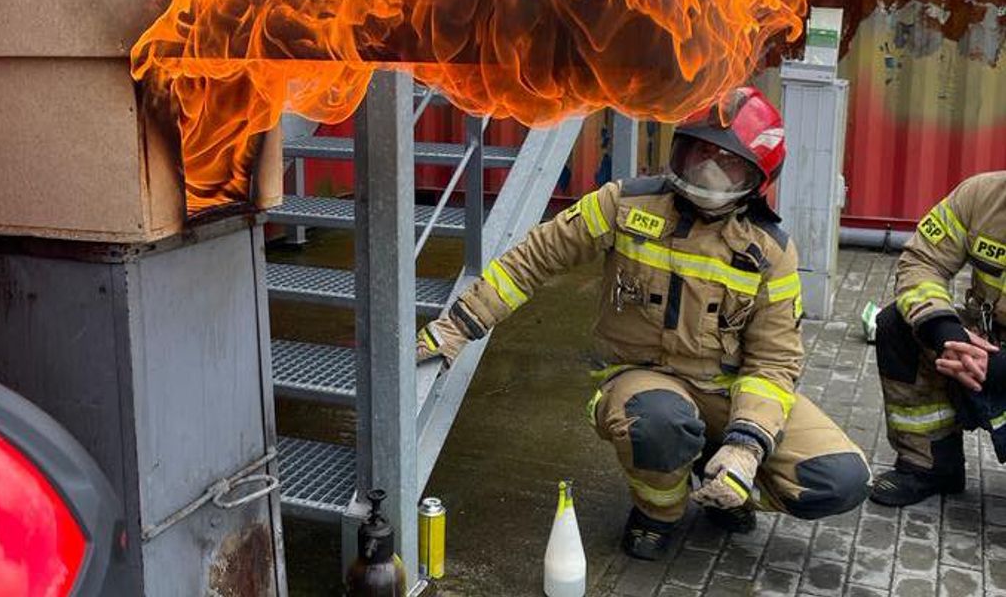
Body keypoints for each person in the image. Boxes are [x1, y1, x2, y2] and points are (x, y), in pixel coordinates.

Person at [416, 86, 871, 560]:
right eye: (699, 153)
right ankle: (659, 514)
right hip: (642, 381)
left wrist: (746, 447)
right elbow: (532, 260)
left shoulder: (770, 252)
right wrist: (457, 328)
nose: (708, 170)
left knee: (839, 479)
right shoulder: (624, 204)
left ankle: (720, 482)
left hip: (729, 393)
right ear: (679, 149)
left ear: (756, 177)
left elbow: (774, 363)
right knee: (658, 424)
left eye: (727, 162)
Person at [871, 171, 1006, 506]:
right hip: (984, 345)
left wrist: (1001, 368)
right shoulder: (982, 195)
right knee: (898, 322)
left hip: (995, 360)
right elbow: (923, 260)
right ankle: (930, 465)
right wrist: (945, 331)